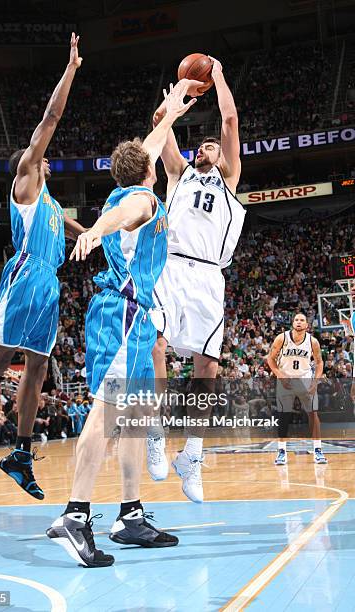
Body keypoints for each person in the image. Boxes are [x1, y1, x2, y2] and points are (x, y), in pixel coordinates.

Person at [47, 80, 199, 567]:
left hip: (121, 315)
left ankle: (130, 514)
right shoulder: (141, 202)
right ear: (149, 173)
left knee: (131, 419)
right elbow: (132, 210)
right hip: (125, 318)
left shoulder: (124, 186)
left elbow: (146, 153)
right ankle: (75, 514)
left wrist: (170, 114)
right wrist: (95, 229)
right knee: (107, 416)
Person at [0, 34, 87, 499]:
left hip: (48, 284)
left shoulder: (49, 203)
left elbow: (72, 226)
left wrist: (103, 231)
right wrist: (70, 69)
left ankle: (22, 453)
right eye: (40, 156)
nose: (45, 158)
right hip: (27, 275)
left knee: (39, 367)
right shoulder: (27, 179)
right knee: (2, 355)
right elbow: (51, 118)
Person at [147, 56, 246, 502]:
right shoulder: (179, 174)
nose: (206, 145)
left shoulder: (229, 180)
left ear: (223, 157)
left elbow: (228, 117)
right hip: (171, 265)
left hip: (209, 277)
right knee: (155, 341)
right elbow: (159, 124)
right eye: (201, 144)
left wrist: (218, 75)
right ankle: (154, 426)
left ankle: (191, 456)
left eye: (212, 144)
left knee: (207, 368)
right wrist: (181, 92)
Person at [267, 312, 327, 465]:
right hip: (285, 379)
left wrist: (315, 382)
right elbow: (270, 359)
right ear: (292, 323)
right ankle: (281, 451)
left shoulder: (313, 342)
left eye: (302, 320)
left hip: (305, 379)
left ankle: (318, 450)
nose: (299, 322)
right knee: (284, 415)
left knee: (313, 414)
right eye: (296, 320)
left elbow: (319, 363)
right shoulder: (282, 338)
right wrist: (280, 375)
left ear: (307, 325)